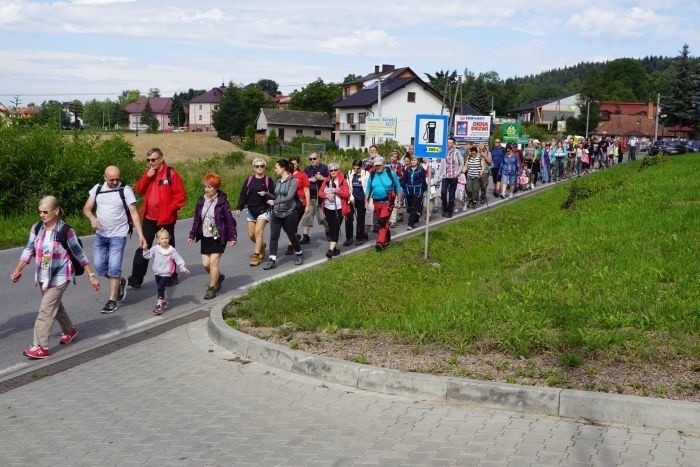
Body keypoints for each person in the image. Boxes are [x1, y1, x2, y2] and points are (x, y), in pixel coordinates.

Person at [10, 196, 101, 359]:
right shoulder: (37, 228)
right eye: (40, 212)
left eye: (45, 212)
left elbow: (79, 253)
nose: (42, 215)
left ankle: (40, 347)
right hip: (42, 276)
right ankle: (70, 331)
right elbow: (28, 249)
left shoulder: (66, 231)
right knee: (55, 306)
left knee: (45, 310)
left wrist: (91, 275)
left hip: (60, 276)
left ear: (56, 211)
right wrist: (18, 270)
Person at [83, 165, 146, 313]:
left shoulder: (125, 190)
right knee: (99, 267)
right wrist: (92, 218)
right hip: (101, 235)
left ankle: (112, 300)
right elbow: (86, 208)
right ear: (105, 178)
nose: (115, 182)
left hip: (118, 235)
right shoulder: (98, 188)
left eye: (118, 178)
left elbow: (134, 213)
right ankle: (120, 282)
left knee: (114, 267)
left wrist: (141, 235)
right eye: (112, 179)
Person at [127, 148, 186, 289]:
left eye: (153, 160)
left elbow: (180, 197)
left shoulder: (171, 174)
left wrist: (170, 209)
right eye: (148, 160)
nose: (151, 163)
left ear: (161, 158)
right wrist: (147, 176)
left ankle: (171, 276)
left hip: (166, 219)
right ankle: (136, 278)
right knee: (143, 247)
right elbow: (139, 189)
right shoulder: (149, 174)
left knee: (166, 248)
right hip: (149, 218)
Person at [187, 173, 238, 300]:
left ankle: (212, 288)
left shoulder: (222, 202)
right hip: (205, 234)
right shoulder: (201, 200)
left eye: (210, 187)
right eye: (206, 186)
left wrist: (232, 237)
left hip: (218, 234)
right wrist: (192, 235)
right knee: (205, 264)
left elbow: (229, 220)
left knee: (213, 262)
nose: (207, 189)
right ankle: (219, 277)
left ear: (216, 187)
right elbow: (196, 220)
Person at [260, 159, 304, 270]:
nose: (275, 170)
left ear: (283, 168)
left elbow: (289, 197)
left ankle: (299, 253)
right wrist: (266, 194)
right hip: (276, 213)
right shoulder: (277, 181)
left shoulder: (293, 181)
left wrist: (274, 202)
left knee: (292, 236)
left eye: (276, 167)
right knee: (273, 237)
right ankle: (272, 260)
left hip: (289, 213)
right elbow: (276, 196)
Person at [142, 228, 190, 315]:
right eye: (162, 238)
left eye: (166, 238)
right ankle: (163, 302)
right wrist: (145, 249)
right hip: (157, 272)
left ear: (169, 238)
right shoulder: (155, 249)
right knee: (160, 288)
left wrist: (183, 267)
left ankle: (159, 304)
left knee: (160, 287)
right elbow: (148, 256)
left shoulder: (171, 250)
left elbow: (178, 259)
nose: (164, 240)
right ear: (158, 240)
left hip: (166, 273)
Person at [235, 158, 272, 267]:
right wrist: (239, 207)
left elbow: (273, 194)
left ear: (264, 168)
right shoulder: (249, 180)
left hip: (264, 210)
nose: (259, 168)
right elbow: (243, 194)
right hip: (251, 210)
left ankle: (256, 256)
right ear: (254, 168)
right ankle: (262, 246)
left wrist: (266, 194)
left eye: (262, 166)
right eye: (257, 166)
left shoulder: (268, 180)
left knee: (257, 232)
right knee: (251, 235)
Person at [365, 156, 402, 251]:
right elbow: (368, 188)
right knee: (382, 222)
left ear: (384, 164)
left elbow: (398, 187)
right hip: (376, 202)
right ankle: (388, 239)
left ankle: (380, 242)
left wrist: (399, 201)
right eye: (375, 165)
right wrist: (366, 201)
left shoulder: (391, 174)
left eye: (379, 165)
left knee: (383, 221)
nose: (377, 167)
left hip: (387, 202)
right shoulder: (373, 174)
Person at [318, 162, 350, 258]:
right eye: (331, 170)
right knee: (332, 228)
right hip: (328, 208)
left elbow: (346, 194)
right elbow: (320, 193)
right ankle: (335, 249)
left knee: (335, 227)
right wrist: (327, 195)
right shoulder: (326, 181)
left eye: (335, 170)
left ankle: (330, 250)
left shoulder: (343, 180)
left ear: (338, 170)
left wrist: (337, 191)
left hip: (339, 208)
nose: (333, 172)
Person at [300, 152, 329, 244]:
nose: (312, 160)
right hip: (310, 196)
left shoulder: (324, 168)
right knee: (307, 216)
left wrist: (322, 178)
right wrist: (309, 179)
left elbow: (331, 180)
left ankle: (328, 231)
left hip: (321, 197)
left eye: (314, 158)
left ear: (318, 158)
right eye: (310, 159)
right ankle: (305, 236)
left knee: (322, 218)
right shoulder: (307, 169)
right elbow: (302, 180)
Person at [284, 155, 310, 255]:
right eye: (291, 163)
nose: (292, 165)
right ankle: (295, 238)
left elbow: (306, 190)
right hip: (288, 203)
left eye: (294, 163)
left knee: (293, 224)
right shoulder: (286, 175)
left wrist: (307, 205)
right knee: (287, 225)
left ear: (298, 164)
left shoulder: (302, 175)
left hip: (299, 203)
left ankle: (291, 246)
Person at [436, 136, 464, 218]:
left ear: (453, 144)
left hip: (453, 176)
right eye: (448, 142)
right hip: (445, 175)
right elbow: (442, 164)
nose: (448, 144)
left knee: (451, 194)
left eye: (450, 142)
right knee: (443, 193)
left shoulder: (457, 152)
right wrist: (439, 175)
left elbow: (461, 163)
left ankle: (450, 211)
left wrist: (457, 173)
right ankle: (445, 207)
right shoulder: (444, 152)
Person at [345, 159, 369, 246]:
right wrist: (351, 197)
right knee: (349, 218)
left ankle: (359, 237)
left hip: (362, 199)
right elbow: (347, 187)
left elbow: (368, 187)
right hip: (351, 199)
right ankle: (349, 238)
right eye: (354, 168)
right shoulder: (349, 174)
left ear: (361, 167)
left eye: (357, 168)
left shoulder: (366, 174)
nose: (355, 170)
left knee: (360, 219)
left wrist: (368, 199)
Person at [402, 155, 427, 229]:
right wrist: (403, 186)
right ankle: (416, 217)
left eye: (415, 160)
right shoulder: (408, 169)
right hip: (409, 191)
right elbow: (404, 179)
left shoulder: (420, 170)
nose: (413, 162)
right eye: (412, 160)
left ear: (418, 161)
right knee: (410, 208)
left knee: (413, 207)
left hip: (417, 191)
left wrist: (424, 190)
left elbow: (423, 180)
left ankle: (410, 224)